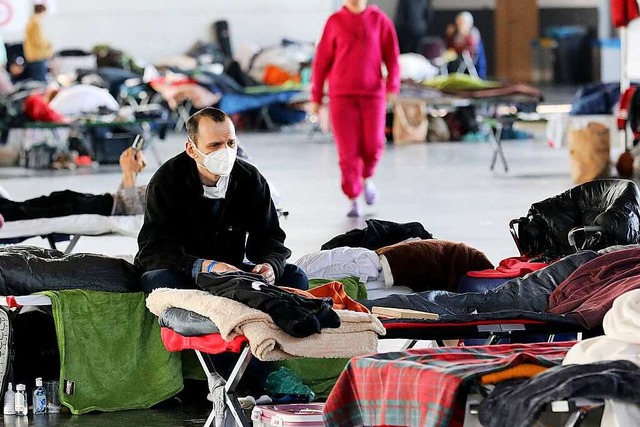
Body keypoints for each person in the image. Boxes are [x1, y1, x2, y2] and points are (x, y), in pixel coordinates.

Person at [135, 107, 308, 293]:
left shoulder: (249, 178)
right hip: (185, 271)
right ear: (191, 150)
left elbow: (269, 236)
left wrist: (270, 265)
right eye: (215, 145)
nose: (225, 152)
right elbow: (153, 249)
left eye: (231, 143)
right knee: (158, 281)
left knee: (295, 276)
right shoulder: (167, 180)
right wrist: (207, 266)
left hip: (231, 271)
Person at [311, 0, 400, 217]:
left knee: (373, 145)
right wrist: (316, 97)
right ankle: (353, 197)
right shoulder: (334, 22)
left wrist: (392, 85)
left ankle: (367, 178)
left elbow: (392, 57)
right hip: (341, 96)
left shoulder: (380, 21)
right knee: (347, 151)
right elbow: (321, 62)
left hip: (373, 95)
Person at [0, 148, 147, 221]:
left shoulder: (168, 205)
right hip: (104, 201)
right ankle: (5, 206)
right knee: (54, 198)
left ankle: (5, 214)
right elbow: (124, 200)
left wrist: (129, 174)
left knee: (36, 212)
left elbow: (134, 217)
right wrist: (131, 173)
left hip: (102, 210)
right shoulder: (165, 187)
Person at [445, 11, 487, 79]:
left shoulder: (473, 33)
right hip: (457, 57)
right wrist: (450, 36)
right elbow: (451, 47)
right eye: (458, 23)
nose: (459, 25)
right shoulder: (456, 34)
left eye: (461, 22)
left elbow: (472, 48)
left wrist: (465, 36)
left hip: (469, 57)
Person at [24, 3, 53, 82]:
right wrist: (48, 44)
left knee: (36, 80)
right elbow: (38, 40)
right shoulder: (36, 22)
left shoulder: (31, 21)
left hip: (32, 55)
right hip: (38, 55)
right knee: (40, 81)